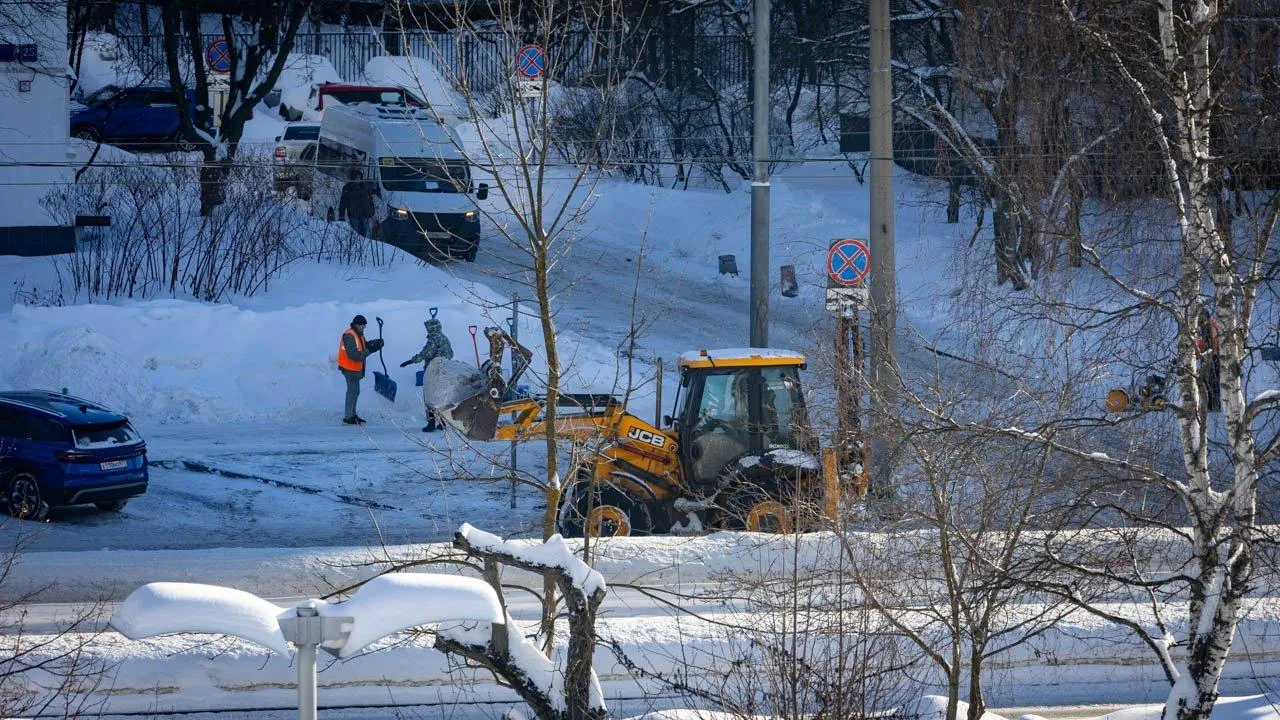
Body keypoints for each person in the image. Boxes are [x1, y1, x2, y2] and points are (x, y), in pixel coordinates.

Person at [400, 317, 454, 432]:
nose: (427, 331)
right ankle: (443, 422)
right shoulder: (445, 338)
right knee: (440, 398)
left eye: (428, 328)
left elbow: (426, 353)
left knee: (430, 398)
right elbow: (451, 353)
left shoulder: (434, 339)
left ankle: (431, 423)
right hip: (444, 372)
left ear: (432, 328)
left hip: (433, 373)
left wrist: (411, 361)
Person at [338, 314, 384, 425]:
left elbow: (363, 346)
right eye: (362, 325)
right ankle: (348, 417)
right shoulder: (349, 336)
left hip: (355, 369)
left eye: (365, 326)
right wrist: (371, 350)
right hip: (349, 368)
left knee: (355, 392)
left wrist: (375, 343)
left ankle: (352, 415)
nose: (364, 327)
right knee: (352, 392)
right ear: (356, 324)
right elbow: (354, 355)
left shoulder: (358, 334)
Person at [339, 168, 379, 237]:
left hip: (365, 214)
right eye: (357, 178)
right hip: (354, 214)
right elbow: (343, 203)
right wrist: (341, 216)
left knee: (364, 232)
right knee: (356, 234)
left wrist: (372, 210)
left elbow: (370, 199)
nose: (358, 179)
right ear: (353, 178)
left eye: (360, 178)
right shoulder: (347, 188)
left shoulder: (365, 186)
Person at [1196, 307, 1222, 412]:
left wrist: (1200, 351)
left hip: (1213, 357)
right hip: (1208, 356)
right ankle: (1210, 405)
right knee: (1207, 382)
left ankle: (1213, 406)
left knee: (1212, 382)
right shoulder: (1207, 326)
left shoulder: (1210, 327)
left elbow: (1211, 343)